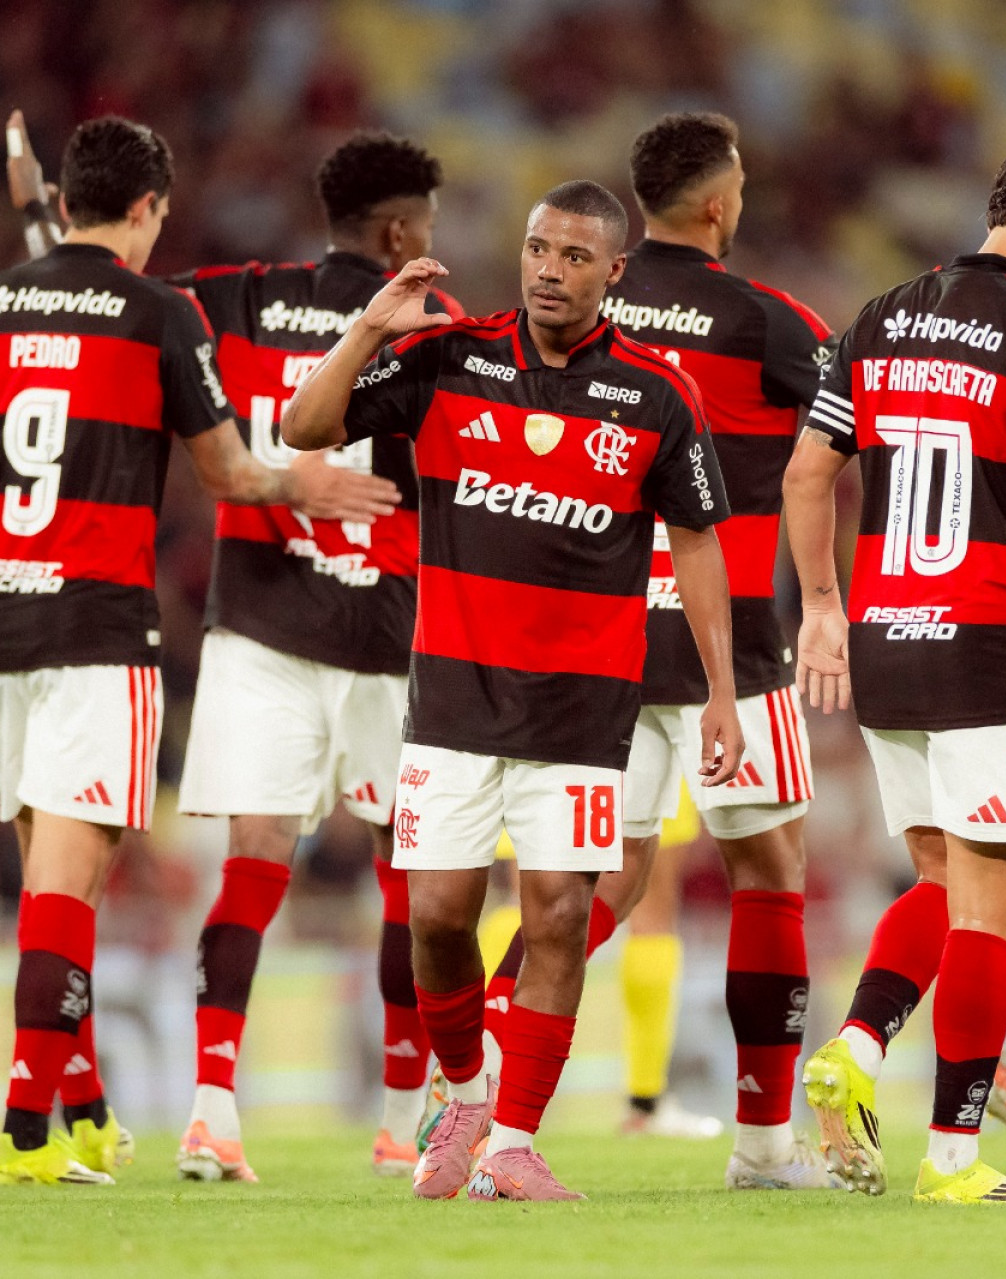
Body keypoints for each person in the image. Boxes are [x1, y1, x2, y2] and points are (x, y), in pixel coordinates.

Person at [0, 116, 393, 1187]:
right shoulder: (157, 313)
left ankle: (81, 1104)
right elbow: (229, 477)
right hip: (95, 626)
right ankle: (26, 1131)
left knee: (64, 872)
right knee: (61, 889)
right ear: (147, 210)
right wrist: (303, 482)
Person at [6, 116, 461, 1181]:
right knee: (413, 878)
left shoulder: (239, 296)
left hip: (259, 626)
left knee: (254, 865)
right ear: (401, 234)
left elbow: (101, 297)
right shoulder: (434, 322)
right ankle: (403, 1119)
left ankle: (214, 1109)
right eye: (429, 227)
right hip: (392, 629)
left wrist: (39, 214)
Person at [278, 180, 743, 1201]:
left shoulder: (659, 394)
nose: (548, 269)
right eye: (538, 248)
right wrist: (369, 327)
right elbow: (304, 429)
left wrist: (720, 689)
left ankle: (514, 1140)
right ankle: (469, 1092)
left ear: (613, 272)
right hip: (451, 701)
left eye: (575, 256)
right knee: (438, 917)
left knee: (558, 918)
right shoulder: (452, 357)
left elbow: (699, 542)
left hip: (583, 711)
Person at [785, 140, 1006, 1205]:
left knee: (943, 886)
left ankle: (855, 1044)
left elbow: (810, 470)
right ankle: (951, 1161)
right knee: (994, 907)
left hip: (888, 639)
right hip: (990, 640)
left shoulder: (883, 312)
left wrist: (819, 609)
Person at [479, 111, 834, 1187]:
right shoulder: (773, 323)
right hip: (726, 635)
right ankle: (765, 1147)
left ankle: (475, 1069)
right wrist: (826, 595)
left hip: (595, 635)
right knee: (768, 868)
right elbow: (837, 451)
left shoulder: (574, 309)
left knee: (605, 878)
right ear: (722, 203)